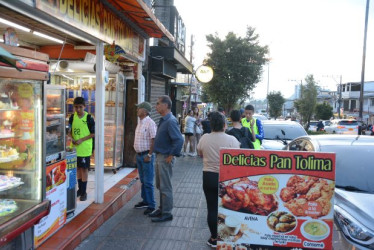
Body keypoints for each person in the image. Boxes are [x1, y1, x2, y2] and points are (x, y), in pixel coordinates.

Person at [197, 112, 240, 248]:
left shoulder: (204, 138)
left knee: (211, 208)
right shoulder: (232, 140)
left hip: (208, 176)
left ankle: (214, 237)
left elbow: (199, 153)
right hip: (227, 179)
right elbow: (237, 158)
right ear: (223, 125)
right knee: (226, 208)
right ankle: (226, 236)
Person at [149, 95, 184, 222]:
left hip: (165, 157)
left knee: (165, 186)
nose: (156, 106)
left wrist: (171, 155)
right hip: (160, 156)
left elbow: (179, 139)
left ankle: (167, 212)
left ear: (165, 105)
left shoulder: (170, 121)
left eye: (158, 103)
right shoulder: (164, 120)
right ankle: (162, 209)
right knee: (160, 185)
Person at [68, 97, 95, 201]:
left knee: (84, 169)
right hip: (75, 148)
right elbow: (69, 130)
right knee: (78, 168)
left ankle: (84, 192)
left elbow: (93, 133)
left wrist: (81, 140)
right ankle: (79, 189)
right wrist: (72, 138)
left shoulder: (89, 118)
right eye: (76, 107)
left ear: (84, 107)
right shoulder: (72, 117)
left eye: (80, 107)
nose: (78, 109)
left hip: (84, 148)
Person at [133, 102, 157, 215]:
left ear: (145, 111)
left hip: (146, 156)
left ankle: (151, 205)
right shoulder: (141, 122)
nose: (137, 109)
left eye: (139, 108)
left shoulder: (150, 123)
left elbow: (154, 140)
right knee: (143, 180)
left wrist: (149, 155)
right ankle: (145, 201)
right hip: (139, 155)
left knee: (148, 181)